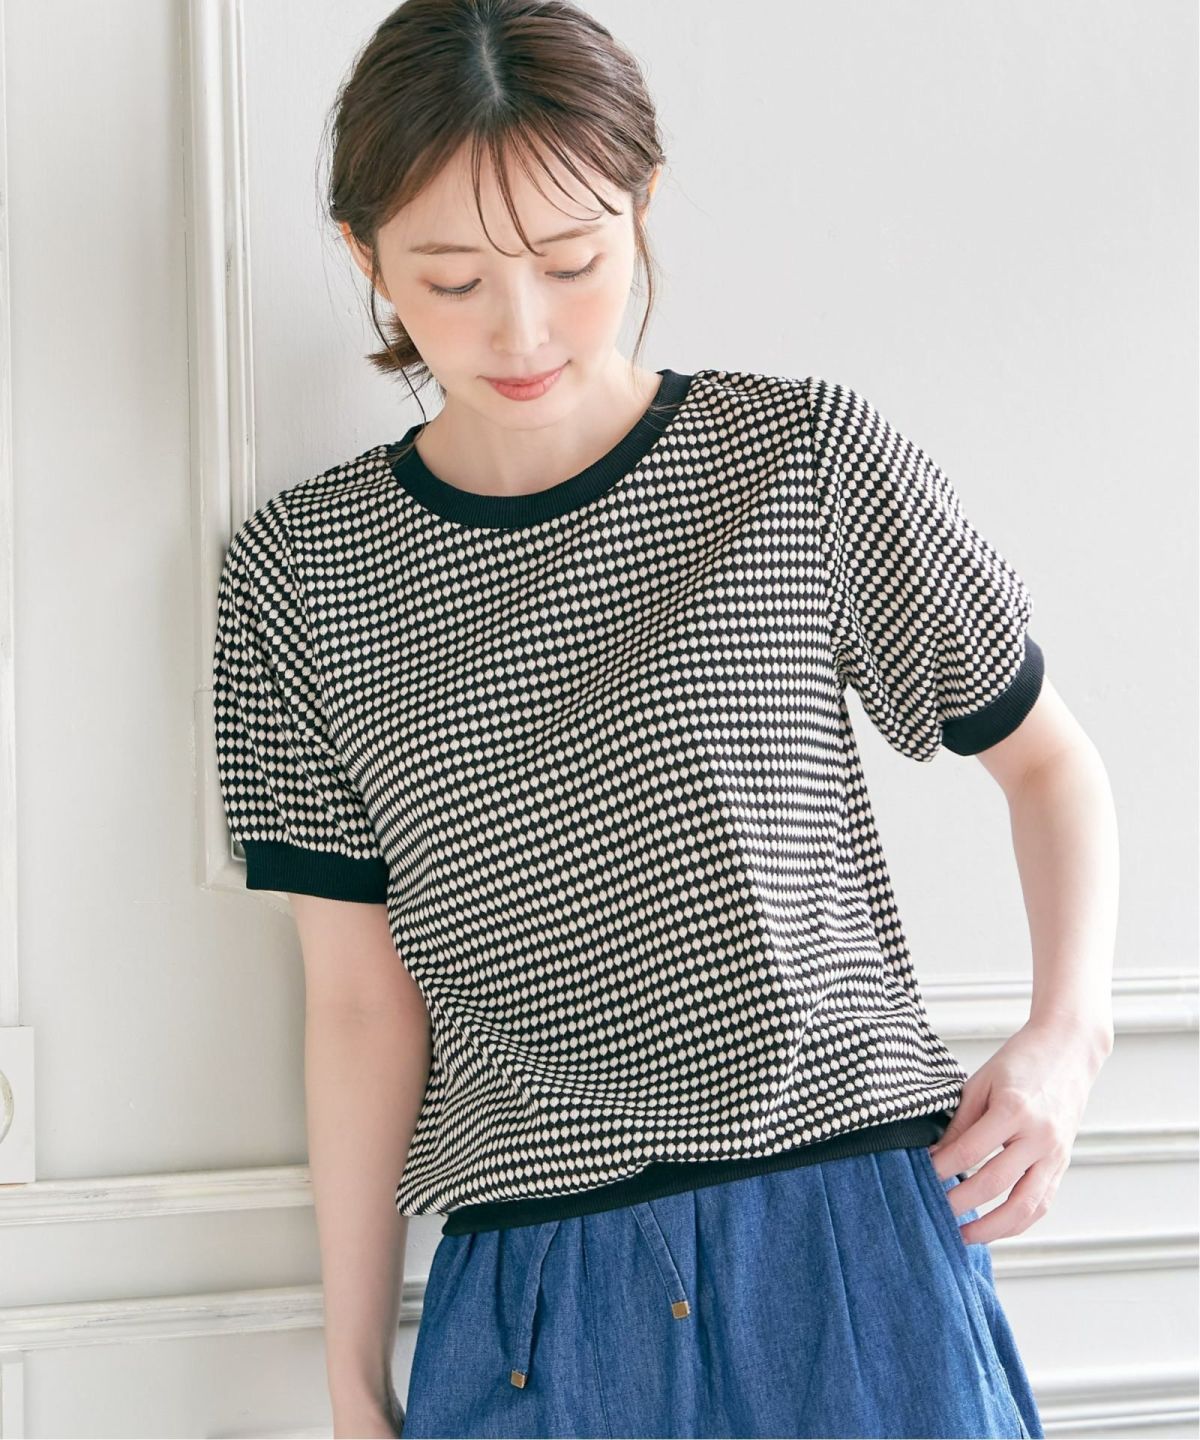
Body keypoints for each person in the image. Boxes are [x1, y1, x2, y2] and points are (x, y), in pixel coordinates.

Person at [210, 1, 1118, 1435]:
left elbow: (1047, 760)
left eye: (572, 263)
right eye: (451, 280)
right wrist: (351, 1374)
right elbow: (358, 999)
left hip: (848, 1238)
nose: (520, 328)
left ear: (639, 211)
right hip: (538, 1295)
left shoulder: (798, 459)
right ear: (364, 257)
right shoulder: (299, 574)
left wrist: (1069, 1038)